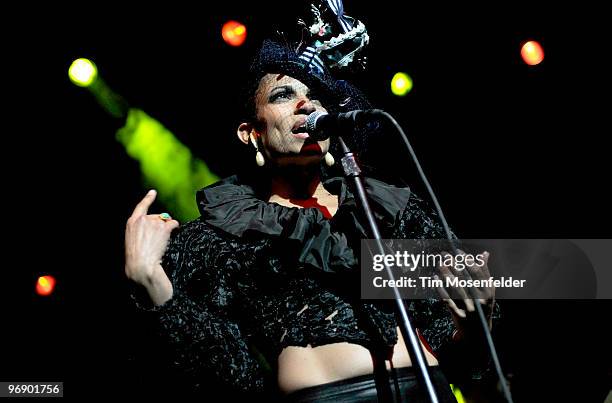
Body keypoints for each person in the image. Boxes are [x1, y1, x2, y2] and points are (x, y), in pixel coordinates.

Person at [124, 10, 497, 402]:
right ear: (251, 133)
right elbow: (228, 375)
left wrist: (475, 322)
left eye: (315, 96)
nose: (306, 104)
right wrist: (152, 282)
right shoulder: (226, 236)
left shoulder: (388, 208)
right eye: (284, 95)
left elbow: (467, 358)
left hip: (426, 389)